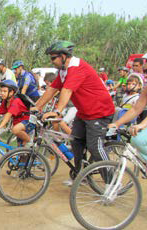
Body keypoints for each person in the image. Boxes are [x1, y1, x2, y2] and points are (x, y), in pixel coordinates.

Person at [33, 40, 115, 185]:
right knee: (76, 143)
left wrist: (57, 111)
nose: (51, 61)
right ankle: (82, 176)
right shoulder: (64, 71)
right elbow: (52, 89)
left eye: (53, 58)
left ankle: (113, 182)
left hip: (99, 112)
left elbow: (67, 90)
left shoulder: (77, 68)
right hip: (84, 113)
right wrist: (36, 106)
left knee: (94, 146)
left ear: (64, 56)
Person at [108, 48, 147, 229]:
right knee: (137, 141)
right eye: (145, 71)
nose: (146, 75)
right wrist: (117, 124)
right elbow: (136, 109)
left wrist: (142, 125)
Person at [0, 80, 33, 146]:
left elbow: (8, 114)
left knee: (15, 130)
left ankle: (30, 141)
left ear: (11, 92)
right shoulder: (5, 101)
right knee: (20, 148)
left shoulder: (16, 101)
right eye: (1, 91)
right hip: (18, 122)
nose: (2, 93)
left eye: (5, 91)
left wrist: (1, 125)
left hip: (27, 121)